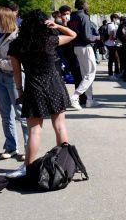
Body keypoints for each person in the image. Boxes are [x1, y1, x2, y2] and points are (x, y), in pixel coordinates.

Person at [6, 10, 77, 178]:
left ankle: (28, 168)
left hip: (33, 86)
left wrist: (20, 91)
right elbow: (73, 35)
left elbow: (16, 73)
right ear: (43, 24)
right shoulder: (50, 40)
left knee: (34, 131)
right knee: (59, 126)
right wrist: (57, 25)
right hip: (54, 85)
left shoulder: (16, 45)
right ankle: (63, 164)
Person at [0, 7, 28, 161]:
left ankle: (28, 147)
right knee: (6, 115)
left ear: (3, 19)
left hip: (15, 78)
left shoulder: (17, 36)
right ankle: (11, 146)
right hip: (2, 77)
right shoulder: (3, 36)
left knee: (22, 115)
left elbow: (17, 63)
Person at [67, 0, 101, 110]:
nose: (88, 5)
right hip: (85, 47)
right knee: (90, 74)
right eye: (86, 3)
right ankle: (75, 96)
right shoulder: (84, 17)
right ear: (83, 5)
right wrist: (96, 38)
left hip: (76, 47)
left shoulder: (72, 18)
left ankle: (89, 100)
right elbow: (87, 36)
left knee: (85, 74)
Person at [105, 14, 120, 80]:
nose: (117, 20)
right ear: (113, 18)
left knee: (116, 58)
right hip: (111, 44)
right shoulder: (111, 25)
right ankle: (111, 74)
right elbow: (111, 37)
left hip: (112, 44)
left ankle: (116, 73)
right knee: (112, 59)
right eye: (116, 19)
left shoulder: (113, 25)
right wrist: (117, 41)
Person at [116, 17, 126, 82]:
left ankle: (124, 75)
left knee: (123, 62)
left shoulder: (120, 27)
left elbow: (117, 36)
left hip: (122, 46)